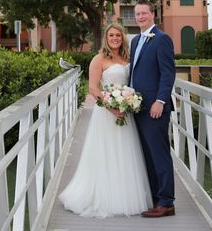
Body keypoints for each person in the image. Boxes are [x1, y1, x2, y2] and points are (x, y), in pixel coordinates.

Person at [58, 22, 152, 217]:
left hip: (125, 113)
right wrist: (111, 107)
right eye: (111, 36)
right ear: (106, 38)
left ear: (122, 37)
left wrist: (128, 102)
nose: (115, 38)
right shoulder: (98, 59)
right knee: (106, 153)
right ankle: (103, 195)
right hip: (106, 114)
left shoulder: (128, 58)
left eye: (118, 35)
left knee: (126, 154)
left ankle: (124, 195)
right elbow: (93, 88)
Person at [129, 0, 176, 218]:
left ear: (152, 14)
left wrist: (161, 100)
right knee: (147, 155)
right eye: (137, 14)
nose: (140, 17)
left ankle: (167, 202)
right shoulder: (136, 40)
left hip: (155, 108)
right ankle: (156, 199)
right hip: (138, 107)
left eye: (144, 13)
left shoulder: (162, 39)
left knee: (159, 154)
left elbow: (168, 74)